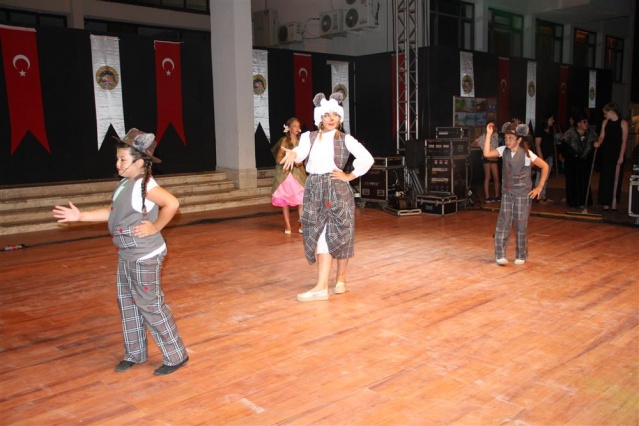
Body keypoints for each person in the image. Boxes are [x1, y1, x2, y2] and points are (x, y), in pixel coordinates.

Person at [52, 129, 189, 376]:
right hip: (127, 253)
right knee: (127, 303)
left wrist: (156, 226)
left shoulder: (146, 185)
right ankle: (135, 354)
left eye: (123, 159)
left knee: (150, 305)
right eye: (117, 158)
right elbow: (112, 212)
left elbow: (172, 203)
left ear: (140, 162)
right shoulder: (126, 183)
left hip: (144, 255)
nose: (118, 164)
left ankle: (176, 355)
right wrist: (81, 216)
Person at [280, 92, 374, 302]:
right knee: (319, 231)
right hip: (314, 188)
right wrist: (293, 153)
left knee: (340, 233)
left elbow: (367, 158)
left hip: (337, 189)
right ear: (319, 118)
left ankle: (336, 280)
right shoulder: (309, 137)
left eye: (335, 115)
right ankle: (324, 285)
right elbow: (301, 152)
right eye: (326, 115)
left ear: (340, 118)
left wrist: (349, 176)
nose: (331, 118)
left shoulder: (345, 139)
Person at [483, 120, 549, 266]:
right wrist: (488, 135)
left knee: (520, 224)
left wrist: (539, 187)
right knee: (503, 222)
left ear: (519, 140)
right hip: (507, 192)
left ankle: (521, 254)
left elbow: (545, 166)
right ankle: (500, 254)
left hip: (522, 194)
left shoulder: (526, 154)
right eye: (506, 138)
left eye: (511, 138)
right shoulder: (503, 150)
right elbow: (487, 153)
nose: (507, 141)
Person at [271, 117, 306, 234]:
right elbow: (278, 158)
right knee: (284, 200)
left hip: (298, 173)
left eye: (298, 126)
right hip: (286, 174)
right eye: (294, 126)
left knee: (301, 199)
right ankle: (287, 225)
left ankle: (301, 224)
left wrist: (299, 162)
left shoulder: (301, 142)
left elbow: (303, 158)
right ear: (289, 128)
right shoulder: (284, 141)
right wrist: (289, 161)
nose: (297, 128)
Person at [594, 102, 629, 210]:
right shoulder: (605, 122)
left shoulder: (623, 123)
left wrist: (621, 156)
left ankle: (614, 200)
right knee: (606, 177)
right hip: (606, 152)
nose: (604, 115)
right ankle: (605, 201)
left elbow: (624, 141)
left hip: (617, 152)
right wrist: (599, 142)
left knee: (616, 178)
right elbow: (602, 136)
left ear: (611, 112)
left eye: (605, 113)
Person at [561, 114, 597, 208]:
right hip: (573, 162)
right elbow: (564, 147)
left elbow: (593, 146)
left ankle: (583, 201)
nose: (586, 124)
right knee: (573, 182)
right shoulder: (570, 133)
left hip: (585, 162)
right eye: (584, 122)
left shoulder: (590, 134)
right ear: (578, 123)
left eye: (587, 122)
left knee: (584, 181)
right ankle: (573, 202)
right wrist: (572, 156)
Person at [472, 121, 500, 203]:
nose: (492, 128)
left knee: (496, 177)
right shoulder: (484, 136)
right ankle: (487, 196)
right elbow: (473, 144)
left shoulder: (496, 135)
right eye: (490, 126)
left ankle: (497, 195)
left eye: (493, 126)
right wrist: (481, 146)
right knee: (488, 176)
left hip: (494, 158)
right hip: (487, 158)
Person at [534, 113, 556, 203]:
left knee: (545, 177)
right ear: (546, 120)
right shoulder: (540, 129)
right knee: (540, 176)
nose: (553, 121)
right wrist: (541, 158)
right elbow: (537, 145)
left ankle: (543, 195)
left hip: (549, 156)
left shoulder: (550, 130)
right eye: (551, 119)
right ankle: (537, 196)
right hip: (542, 157)